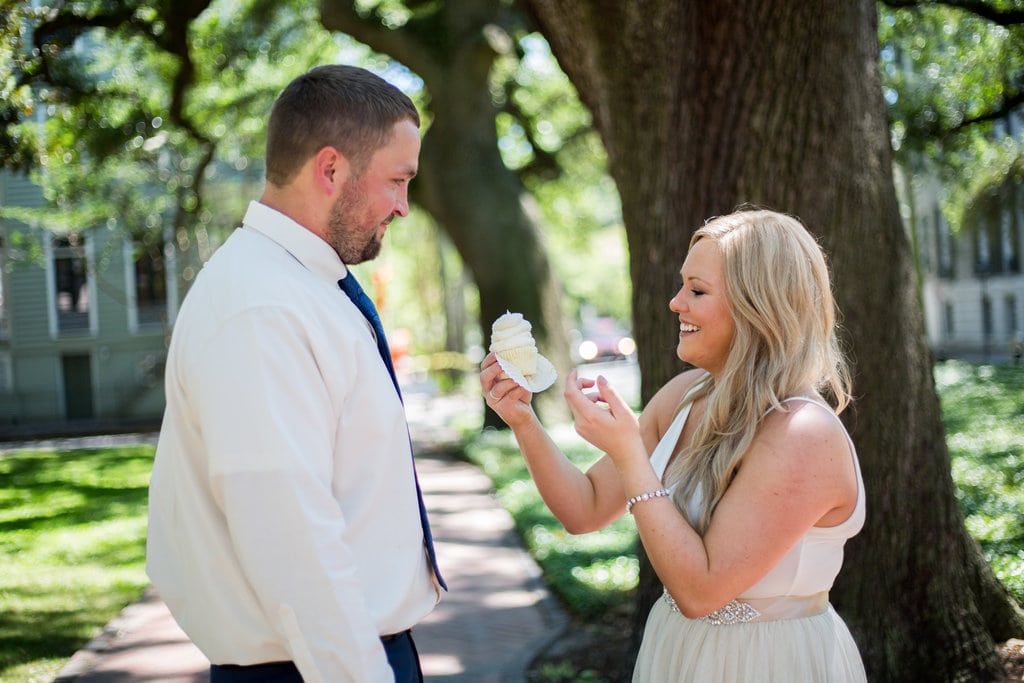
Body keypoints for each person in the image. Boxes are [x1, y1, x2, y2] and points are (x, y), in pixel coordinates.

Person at [147, 64, 444, 683]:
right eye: (397, 181)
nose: (404, 207)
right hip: (314, 667)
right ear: (331, 168)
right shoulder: (261, 306)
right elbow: (289, 538)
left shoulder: (304, 284)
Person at [481, 209, 867, 681]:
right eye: (682, 285)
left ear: (759, 305)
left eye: (697, 290)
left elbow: (701, 591)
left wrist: (630, 457)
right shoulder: (684, 396)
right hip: (677, 653)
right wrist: (522, 421)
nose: (674, 302)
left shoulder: (803, 433)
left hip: (768, 663)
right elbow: (583, 509)